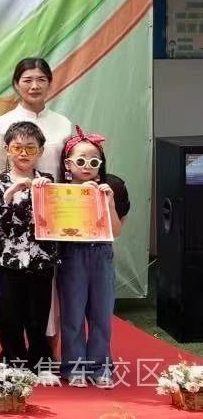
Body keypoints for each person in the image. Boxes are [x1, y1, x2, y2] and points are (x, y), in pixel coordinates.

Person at [0, 58, 73, 346]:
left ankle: (47, 351)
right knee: (10, 292)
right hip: (12, 220)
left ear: (50, 83)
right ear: (16, 84)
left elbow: (68, 170)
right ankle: (12, 354)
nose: (34, 86)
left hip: (50, 217)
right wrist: (2, 209)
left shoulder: (62, 123)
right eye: (27, 80)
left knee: (47, 287)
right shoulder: (3, 123)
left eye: (41, 79)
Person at [0, 121, 59, 381]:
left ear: (40, 151)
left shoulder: (47, 182)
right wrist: (11, 193)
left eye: (30, 148)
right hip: (9, 262)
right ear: (7, 149)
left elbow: (56, 219)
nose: (23, 153)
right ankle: (13, 362)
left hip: (41, 261)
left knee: (38, 316)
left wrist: (45, 194)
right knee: (9, 316)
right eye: (17, 147)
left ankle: (41, 364)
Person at [56, 128, 129, 388]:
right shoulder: (59, 192)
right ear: (68, 164)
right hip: (71, 255)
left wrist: (109, 203)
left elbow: (116, 231)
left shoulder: (111, 188)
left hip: (102, 254)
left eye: (94, 161)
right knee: (72, 314)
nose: (87, 166)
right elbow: (53, 228)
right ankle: (73, 366)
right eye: (81, 160)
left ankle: (101, 366)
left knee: (101, 314)